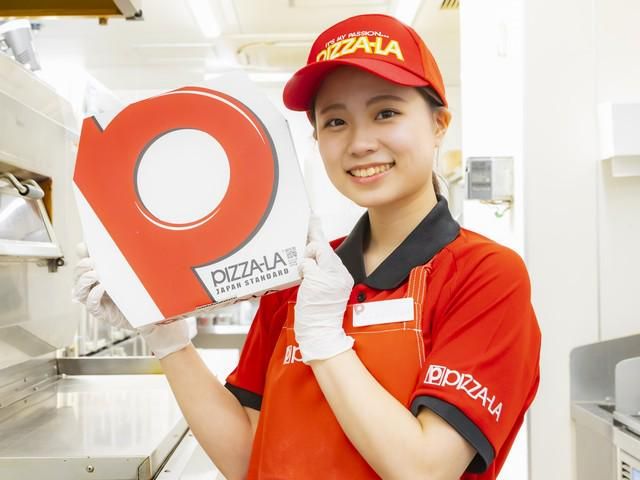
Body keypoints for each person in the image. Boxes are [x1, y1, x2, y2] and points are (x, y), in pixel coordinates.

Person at [72, 13, 541, 480]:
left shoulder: (485, 275)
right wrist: (167, 336)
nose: (360, 143)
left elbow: (425, 469)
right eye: (335, 121)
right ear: (317, 138)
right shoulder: (301, 272)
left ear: (439, 124)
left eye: (386, 113)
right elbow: (246, 456)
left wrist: (324, 340)